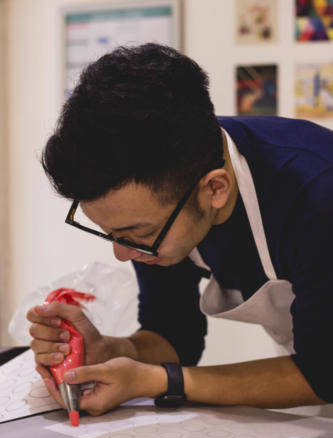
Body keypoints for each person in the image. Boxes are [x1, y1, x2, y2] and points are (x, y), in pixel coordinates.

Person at [27, 43, 333, 416]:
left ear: (214, 189)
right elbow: (174, 334)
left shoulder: (317, 195)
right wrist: (112, 350)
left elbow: (323, 374)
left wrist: (160, 382)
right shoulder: (163, 192)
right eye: (109, 233)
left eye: (134, 234)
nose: (122, 252)